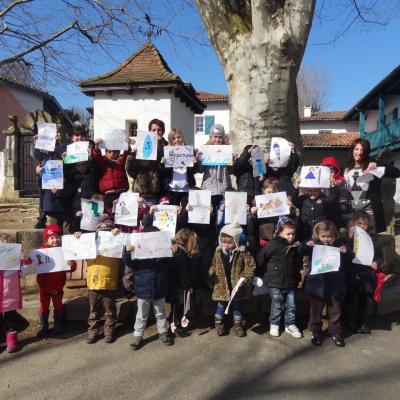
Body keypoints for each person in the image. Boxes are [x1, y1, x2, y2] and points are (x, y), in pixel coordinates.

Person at [299, 220, 351, 347]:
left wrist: (346, 251)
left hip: (335, 284)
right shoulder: (315, 244)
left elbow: (350, 255)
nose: (326, 239)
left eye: (329, 236)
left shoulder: (339, 244)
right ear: (317, 235)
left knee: (335, 310)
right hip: (317, 284)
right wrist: (307, 244)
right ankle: (315, 331)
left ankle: (335, 332)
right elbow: (300, 249)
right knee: (316, 310)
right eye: (323, 236)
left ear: (334, 235)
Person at [123, 226, 173, 350]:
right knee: (141, 314)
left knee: (160, 312)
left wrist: (174, 251)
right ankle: (138, 335)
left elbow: (172, 264)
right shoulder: (139, 251)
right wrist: (127, 251)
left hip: (159, 286)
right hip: (143, 287)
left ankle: (163, 332)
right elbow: (129, 262)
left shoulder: (163, 252)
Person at [257, 217, 303, 338]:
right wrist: (262, 274)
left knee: (291, 306)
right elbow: (261, 259)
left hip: (290, 282)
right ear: (279, 232)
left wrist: (297, 277)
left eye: (293, 234)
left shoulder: (295, 246)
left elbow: (297, 264)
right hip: (275, 282)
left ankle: (290, 324)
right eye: (288, 234)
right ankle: (274, 324)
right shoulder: (272, 245)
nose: (291, 237)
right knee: (276, 305)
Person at [77, 220, 122, 344]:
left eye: (107, 233)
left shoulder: (116, 243)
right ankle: (92, 332)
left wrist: (117, 235)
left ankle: (109, 332)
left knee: (110, 312)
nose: (104, 236)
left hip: (109, 284)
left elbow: (126, 245)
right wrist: (78, 236)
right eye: (101, 233)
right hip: (93, 285)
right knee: (93, 312)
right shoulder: (90, 245)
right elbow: (77, 248)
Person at [208, 223, 256, 337]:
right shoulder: (218, 252)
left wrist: (244, 278)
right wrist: (211, 272)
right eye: (223, 241)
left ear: (236, 241)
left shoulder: (242, 253)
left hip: (236, 285)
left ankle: (238, 324)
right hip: (222, 285)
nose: (226, 245)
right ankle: (219, 324)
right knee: (220, 305)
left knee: (237, 305)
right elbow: (214, 265)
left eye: (229, 242)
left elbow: (250, 266)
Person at [344, 138, 400, 232]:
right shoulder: (347, 169)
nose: (359, 152)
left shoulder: (373, 165)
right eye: (357, 149)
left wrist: (377, 165)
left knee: (372, 242)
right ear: (352, 150)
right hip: (353, 213)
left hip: (371, 213)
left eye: (363, 150)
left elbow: (396, 172)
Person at [343, 211, 383, 334]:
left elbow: (378, 256)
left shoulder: (373, 238)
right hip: (352, 272)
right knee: (349, 297)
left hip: (365, 274)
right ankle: (349, 323)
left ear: (368, 225)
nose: (361, 227)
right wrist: (349, 238)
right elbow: (345, 252)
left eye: (364, 224)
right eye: (359, 224)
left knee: (363, 298)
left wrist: (377, 262)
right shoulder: (348, 236)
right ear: (353, 223)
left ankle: (362, 323)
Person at [36, 225, 76, 337]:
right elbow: (35, 263)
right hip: (44, 286)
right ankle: (44, 325)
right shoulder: (41, 251)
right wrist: (31, 261)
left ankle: (58, 324)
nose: (55, 240)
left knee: (58, 306)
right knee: (44, 306)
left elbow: (72, 266)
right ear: (47, 239)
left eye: (57, 237)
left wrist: (70, 263)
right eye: (52, 238)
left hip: (58, 285)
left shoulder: (64, 251)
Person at [0, 233, 29, 353]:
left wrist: (22, 258)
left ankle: (11, 339)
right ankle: (4, 337)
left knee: (10, 317)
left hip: (9, 296)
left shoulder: (16, 262)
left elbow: (26, 270)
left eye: (9, 246)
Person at [196, 124, 234, 211]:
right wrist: (199, 160)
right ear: (211, 137)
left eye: (220, 137)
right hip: (209, 187)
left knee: (222, 212)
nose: (217, 139)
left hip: (224, 188)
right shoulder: (205, 150)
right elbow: (200, 170)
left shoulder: (227, 150)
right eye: (215, 137)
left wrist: (233, 160)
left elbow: (232, 171)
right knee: (209, 213)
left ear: (223, 138)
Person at [91, 137, 132, 214]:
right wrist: (96, 147)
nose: (112, 154)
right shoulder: (103, 162)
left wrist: (128, 144)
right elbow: (96, 156)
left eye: (115, 152)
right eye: (109, 152)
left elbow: (126, 155)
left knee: (122, 214)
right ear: (105, 153)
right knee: (109, 213)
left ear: (118, 152)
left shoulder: (120, 161)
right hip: (108, 195)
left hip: (121, 193)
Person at [161, 128, 198, 205]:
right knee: (173, 213)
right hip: (171, 190)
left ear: (183, 138)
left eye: (179, 137)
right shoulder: (167, 152)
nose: (177, 140)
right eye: (174, 138)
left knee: (185, 213)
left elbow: (194, 171)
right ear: (170, 140)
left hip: (186, 190)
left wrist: (194, 163)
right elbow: (163, 173)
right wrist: (162, 164)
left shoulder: (189, 152)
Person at [321, 156, 352, 227]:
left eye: (331, 172)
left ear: (336, 171)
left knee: (336, 223)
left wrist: (343, 203)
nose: (329, 174)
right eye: (327, 172)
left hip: (337, 206)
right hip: (325, 207)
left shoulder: (340, 181)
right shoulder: (321, 182)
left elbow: (344, 192)